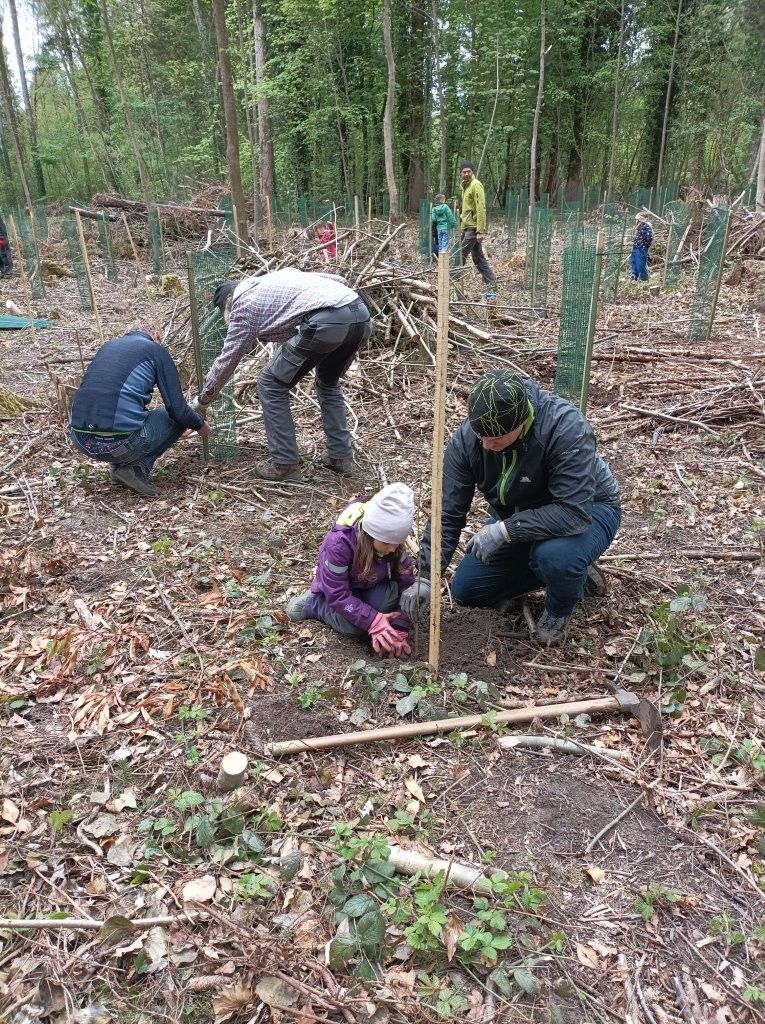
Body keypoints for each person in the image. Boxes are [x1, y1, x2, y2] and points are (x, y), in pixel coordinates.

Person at [400, 371, 621, 645]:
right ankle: (550, 569)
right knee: (467, 591)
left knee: (556, 556)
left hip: (588, 510)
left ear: (523, 420)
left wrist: (505, 531)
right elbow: (448, 512)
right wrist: (426, 575)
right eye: (481, 436)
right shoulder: (470, 439)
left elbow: (572, 512)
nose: (486, 445)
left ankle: (560, 602)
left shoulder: (564, 429)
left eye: (497, 438)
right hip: (517, 514)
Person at [197, 268, 372, 482]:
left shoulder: (243, 305)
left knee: (270, 384)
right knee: (328, 382)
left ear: (228, 303)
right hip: (361, 315)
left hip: (327, 323)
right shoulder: (274, 280)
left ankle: (284, 464)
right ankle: (340, 457)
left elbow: (227, 361)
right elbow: (340, 279)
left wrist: (203, 400)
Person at [69, 330, 210, 497]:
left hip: (81, 440)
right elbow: (178, 410)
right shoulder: (155, 350)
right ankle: (135, 469)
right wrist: (201, 426)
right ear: (156, 337)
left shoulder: (107, 347)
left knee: (130, 416)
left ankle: (119, 467)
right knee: (177, 417)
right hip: (120, 445)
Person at [286, 482, 416, 658]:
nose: (392, 549)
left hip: (371, 583)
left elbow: (406, 584)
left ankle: (366, 612)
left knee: (386, 608)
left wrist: (400, 625)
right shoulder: (340, 543)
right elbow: (337, 593)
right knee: (355, 627)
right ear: (371, 534)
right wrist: (372, 621)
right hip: (337, 590)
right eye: (386, 543)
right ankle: (314, 604)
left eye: (397, 543)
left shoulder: (392, 545)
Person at [458, 161, 496, 298]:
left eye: (469, 171)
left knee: (458, 257)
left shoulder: (476, 185)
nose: (466, 174)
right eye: (464, 172)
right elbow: (467, 210)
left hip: (473, 229)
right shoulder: (465, 186)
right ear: (461, 173)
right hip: (468, 227)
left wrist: (480, 231)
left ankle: (452, 287)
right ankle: (491, 284)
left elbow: (481, 208)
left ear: (472, 172)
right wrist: (462, 228)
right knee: (478, 258)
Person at [630, 213, 653, 282]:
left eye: (637, 220)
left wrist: (644, 245)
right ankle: (634, 277)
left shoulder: (646, 226)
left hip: (641, 248)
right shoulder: (639, 227)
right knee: (634, 262)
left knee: (640, 263)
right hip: (635, 247)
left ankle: (644, 279)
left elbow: (649, 238)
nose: (636, 221)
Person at [0, 211, 13, 278]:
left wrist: (2, 237)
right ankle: (2, 271)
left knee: (4, 254)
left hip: (1, 237)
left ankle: (8, 272)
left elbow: (2, 228)